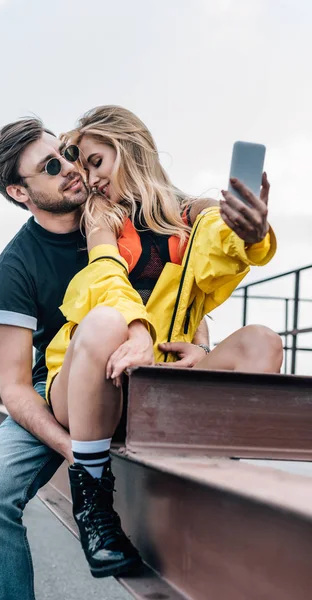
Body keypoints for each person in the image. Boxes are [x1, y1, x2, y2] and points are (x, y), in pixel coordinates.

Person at [0, 116, 214, 599]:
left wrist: (201, 344)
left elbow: (180, 292)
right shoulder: (16, 265)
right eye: (51, 166)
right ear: (20, 193)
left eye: (69, 154)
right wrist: (69, 449)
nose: (71, 169)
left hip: (146, 370)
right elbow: (15, 386)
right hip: (60, 392)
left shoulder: (122, 209)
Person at [42, 106, 282, 578]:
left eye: (96, 162)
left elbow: (227, 253)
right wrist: (139, 332)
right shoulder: (100, 217)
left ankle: (223, 486)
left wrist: (253, 233)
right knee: (106, 320)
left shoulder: (192, 216)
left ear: (129, 149)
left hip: (157, 383)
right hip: (87, 383)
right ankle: (93, 505)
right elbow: (106, 275)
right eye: (83, 166)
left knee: (262, 342)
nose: (89, 178)